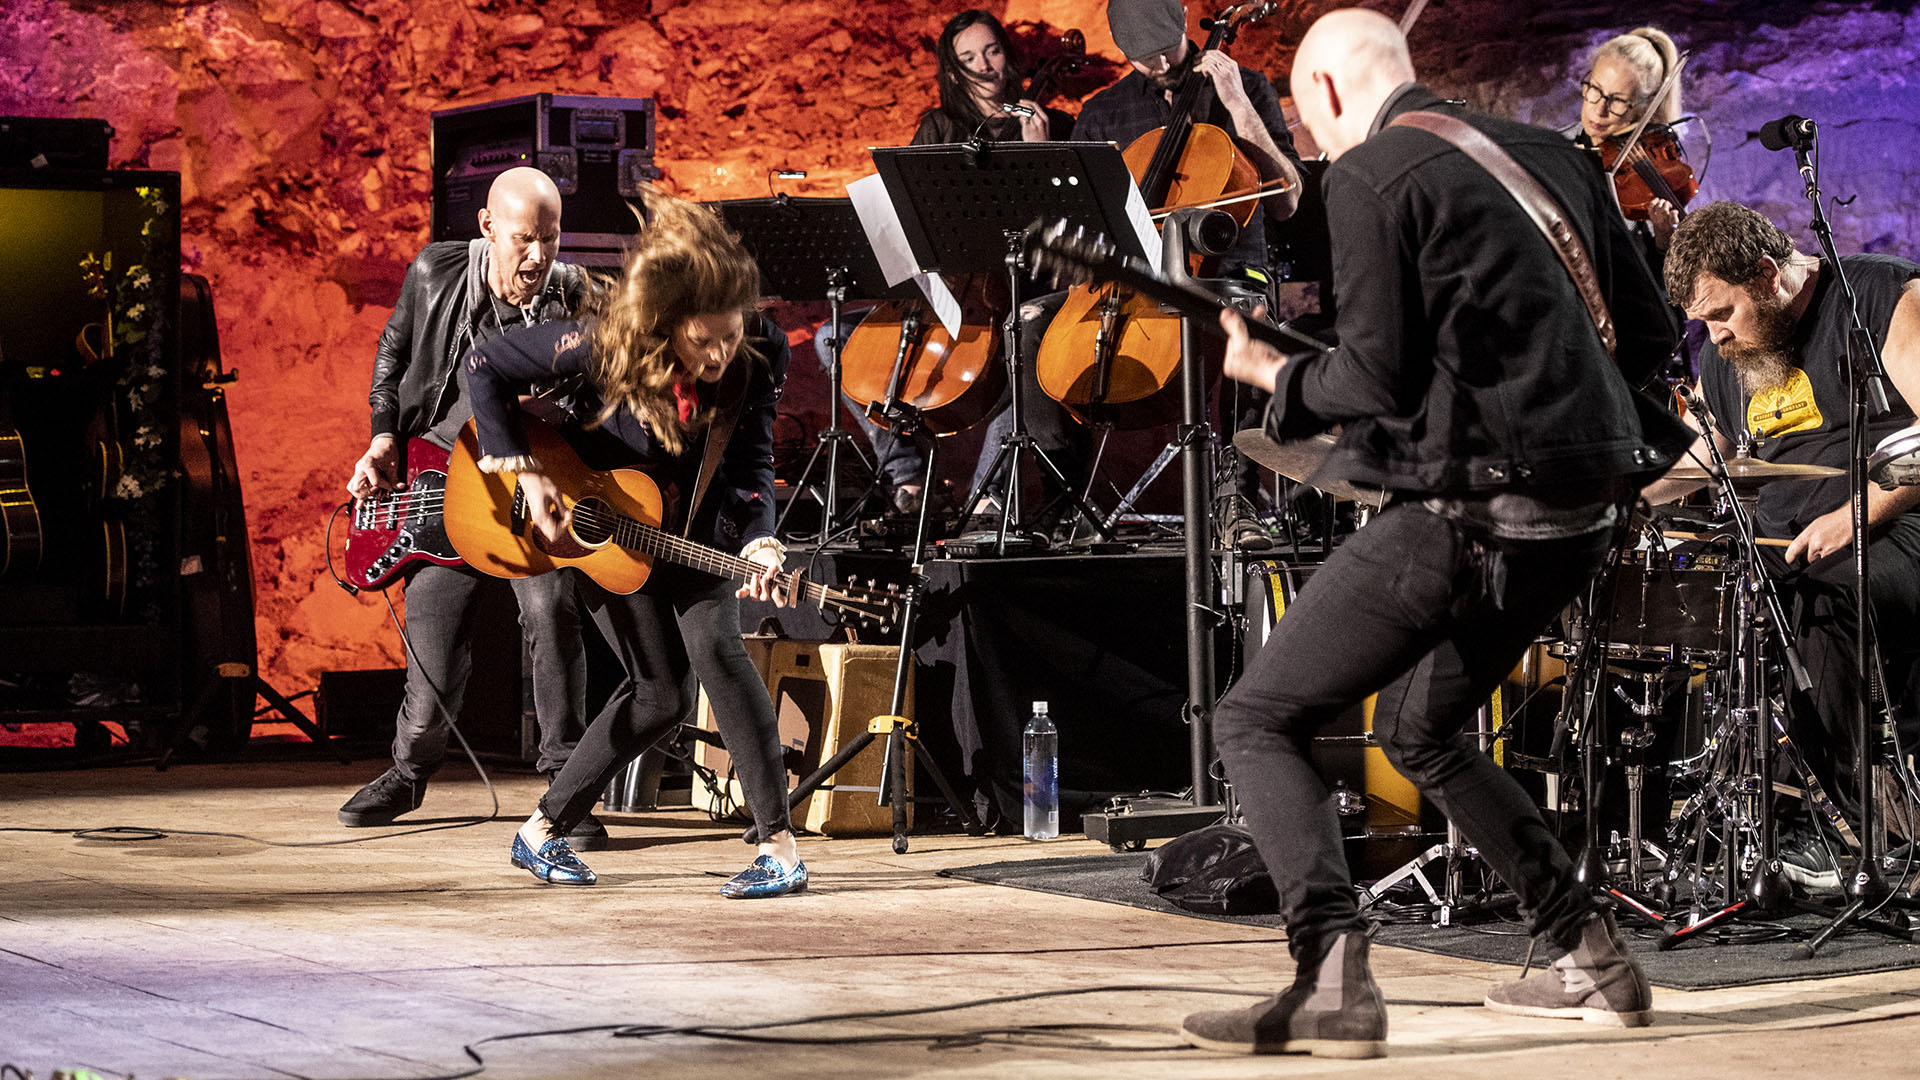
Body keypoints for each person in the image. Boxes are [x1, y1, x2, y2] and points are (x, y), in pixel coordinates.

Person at [1178, 9, 1692, 1057]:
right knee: (1422, 729)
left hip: (1474, 517)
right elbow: (1645, 332)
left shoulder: (1371, 178)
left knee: (1256, 718)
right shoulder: (1552, 151)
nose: (1309, 140)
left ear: (1322, 94)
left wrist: (1275, 372)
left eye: (1301, 117)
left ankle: (1331, 981)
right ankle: (1592, 957)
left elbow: (1368, 378)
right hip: (1583, 512)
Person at [465, 188, 808, 897]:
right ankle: (542, 832)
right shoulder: (603, 346)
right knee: (658, 695)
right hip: (602, 513)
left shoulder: (758, 355)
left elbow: (749, 466)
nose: (719, 353)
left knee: (717, 649)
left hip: (688, 523)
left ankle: (780, 849)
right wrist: (528, 478)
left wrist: (763, 541)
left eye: (730, 334)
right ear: (664, 329)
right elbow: (485, 366)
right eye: (702, 340)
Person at [1651, 201, 1920, 881]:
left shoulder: (1882, 300)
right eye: (1701, 324)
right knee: (1689, 597)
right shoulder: (1730, 356)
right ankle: (1693, 814)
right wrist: (1629, 500)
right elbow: (1710, 453)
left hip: (1898, 528)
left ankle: (1847, 830)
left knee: (1824, 594)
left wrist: (1855, 514)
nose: (1714, 338)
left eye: (1722, 315)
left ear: (1768, 274)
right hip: (1784, 549)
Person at [338, 167, 603, 848]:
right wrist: (383, 435)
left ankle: (565, 791)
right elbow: (394, 350)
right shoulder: (436, 270)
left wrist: (565, 413)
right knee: (429, 670)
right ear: (488, 230)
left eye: (550, 239)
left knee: (552, 612)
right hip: (441, 483)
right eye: (523, 241)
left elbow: (601, 396)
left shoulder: (572, 292)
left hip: (527, 491)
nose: (539, 257)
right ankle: (408, 770)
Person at [1072, 0, 1304, 548]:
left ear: (1183, 24)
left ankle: (1239, 497)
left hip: (1228, 272)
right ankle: (1068, 501)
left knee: (1253, 322)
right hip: (1135, 278)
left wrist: (1238, 106)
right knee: (1032, 324)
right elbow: (1084, 214)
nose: (1156, 66)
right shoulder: (1104, 111)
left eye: (1163, 51)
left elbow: (1288, 201)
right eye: (1140, 59)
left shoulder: (1246, 85)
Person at [1571, 27, 1688, 259]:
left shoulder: (1652, 170)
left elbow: (1651, 287)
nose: (1599, 109)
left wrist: (1664, 242)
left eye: (1618, 101)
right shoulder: (1557, 147)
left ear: (1645, 107)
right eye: (1595, 89)